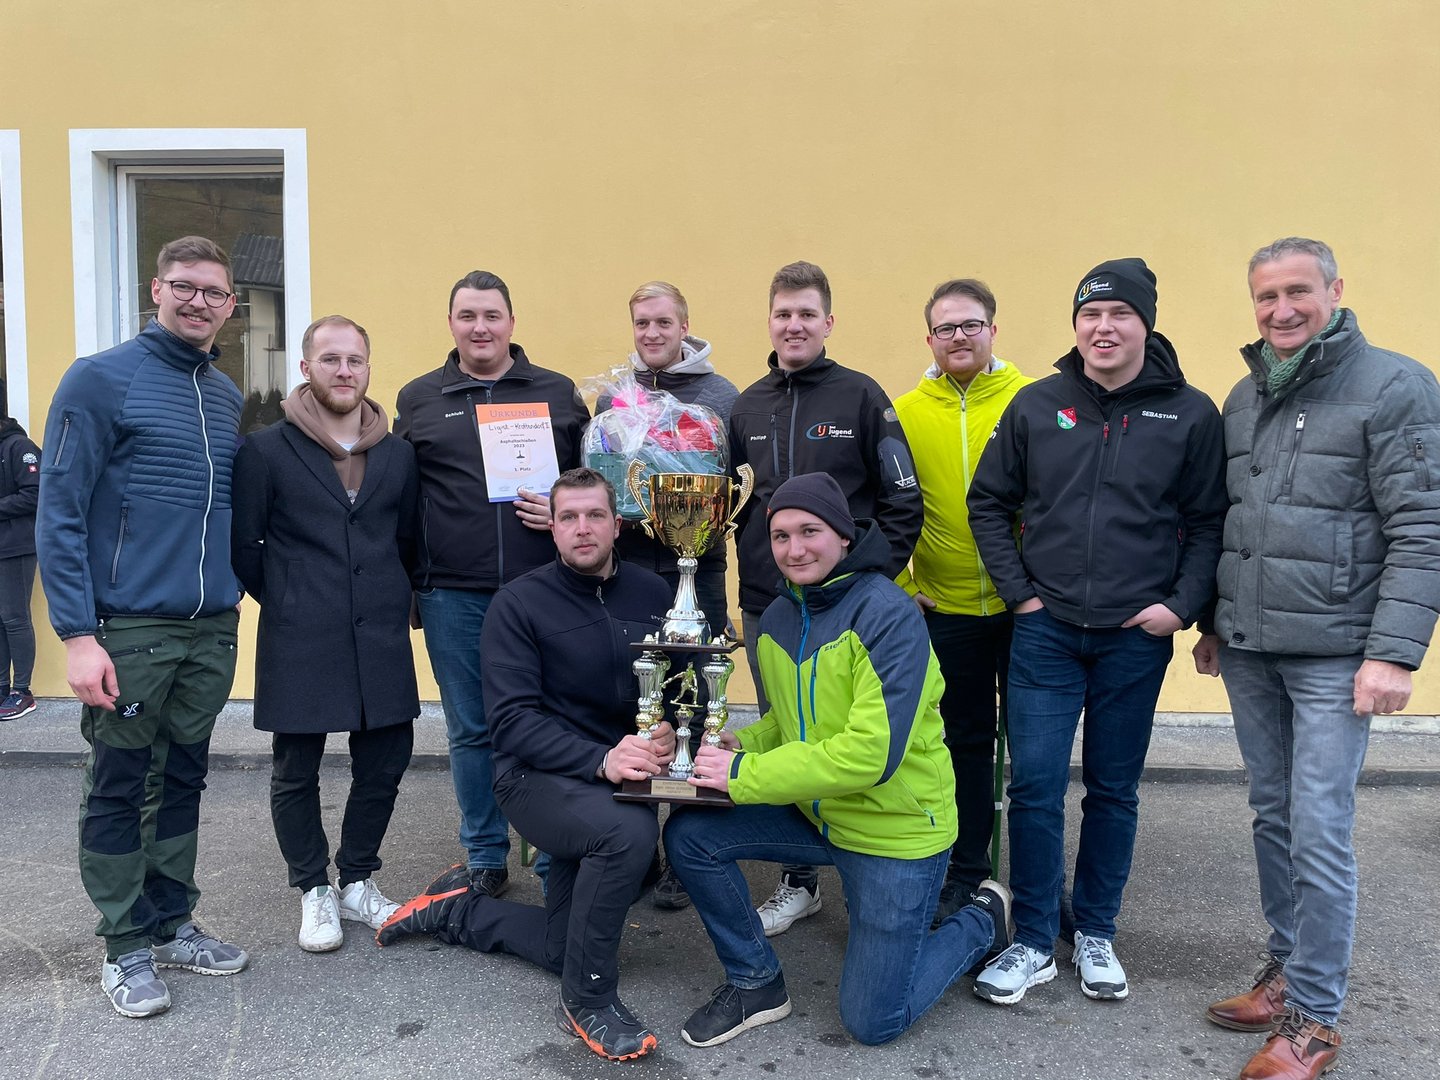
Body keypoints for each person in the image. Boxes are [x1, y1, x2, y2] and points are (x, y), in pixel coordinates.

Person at [1192, 238, 1440, 1080]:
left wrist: (1394, 654)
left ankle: (1315, 1021)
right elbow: (1236, 519)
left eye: (1298, 291)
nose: (1281, 309)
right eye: (1266, 296)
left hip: (1338, 654)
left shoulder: (1395, 385)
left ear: (1335, 289)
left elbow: (1422, 526)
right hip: (1253, 648)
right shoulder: (1246, 393)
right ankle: (1287, 971)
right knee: (1273, 815)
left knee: (1321, 829)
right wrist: (1217, 620)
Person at [665, 472, 1010, 1048]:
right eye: (780, 536)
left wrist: (744, 775)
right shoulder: (779, 618)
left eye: (810, 531)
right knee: (691, 834)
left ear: (844, 537)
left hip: (894, 831)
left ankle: (981, 919)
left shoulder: (888, 613)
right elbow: (790, 722)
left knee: (874, 1022)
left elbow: (870, 755)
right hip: (817, 814)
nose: (795, 549)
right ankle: (756, 982)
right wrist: (743, 746)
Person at [967, 258, 1226, 1005]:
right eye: (1090, 315)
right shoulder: (1037, 404)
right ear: (1075, 325)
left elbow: (1209, 520)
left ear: (1146, 324)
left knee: (1113, 790)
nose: (1103, 328)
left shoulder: (1191, 414)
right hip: (1045, 632)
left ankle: (1096, 933)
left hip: (1134, 637)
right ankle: (1031, 940)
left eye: (1120, 315)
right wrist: (1020, 597)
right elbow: (989, 502)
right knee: (1035, 787)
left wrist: (1180, 607)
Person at [377, 468, 675, 1062]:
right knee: (628, 833)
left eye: (595, 515)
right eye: (569, 517)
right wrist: (601, 759)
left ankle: (460, 913)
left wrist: (668, 728)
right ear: (553, 529)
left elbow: (672, 687)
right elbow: (510, 722)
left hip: (616, 774)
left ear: (616, 526)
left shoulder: (654, 594)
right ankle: (588, 1001)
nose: (583, 528)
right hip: (535, 778)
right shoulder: (519, 603)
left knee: (568, 946)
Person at [37, 236, 250, 1018]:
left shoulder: (224, 395)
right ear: (155, 290)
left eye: (214, 292)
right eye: (184, 287)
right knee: (122, 783)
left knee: (184, 777)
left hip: (208, 630)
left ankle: (171, 922)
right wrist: (76, 635)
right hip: (126, 629)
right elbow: (60, 510)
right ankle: (124, 944)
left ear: (231, 305)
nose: (198, 302)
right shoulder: (99, 380)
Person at [728, 260, 923, 935]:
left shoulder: (862, 397)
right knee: (786, 730)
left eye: (807, 313)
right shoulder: (746, 406)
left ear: (828, 322)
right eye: (783, 314)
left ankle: (867, 858)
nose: (795, 325)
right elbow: (731, 506)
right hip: (768, 605)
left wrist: (870, 584)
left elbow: (903, 500)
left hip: (849, 609)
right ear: (770, 322)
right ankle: (800, 880)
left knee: (850, 736)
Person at [395, 271, 588, 897]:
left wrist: (560, 507)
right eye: (467, 316)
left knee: (553, 720)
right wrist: (412, 585)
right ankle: (485, 853)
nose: (480, 328)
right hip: (453, 593)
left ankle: (557, 851)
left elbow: (591, 484)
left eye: (492, 315)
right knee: (472, 729)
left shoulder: (557, 392)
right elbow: (402, 497)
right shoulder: (419, 399)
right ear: (451, 323)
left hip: (547, 588)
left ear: (512, 322)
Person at [232, 315, 421, 953]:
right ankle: (314, 887)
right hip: (300, 634)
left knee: (386, 760)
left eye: (355, 360)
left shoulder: (397, 454)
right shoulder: (266, 449)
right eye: (331, 359)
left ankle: (358, 881)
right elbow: (246, 546)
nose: (345, 370)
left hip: (380, 635)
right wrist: (291, 598)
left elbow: (405, 539)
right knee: (296, 769)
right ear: (307, 367)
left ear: (368, 369)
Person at [894, 278, 1032, 924]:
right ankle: (968, 871)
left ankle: (1035, 882)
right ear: (929, 338)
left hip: (1026, 608)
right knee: (964, 747)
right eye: (946, 328)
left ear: (993, 331)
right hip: (946, 610)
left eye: (971, 325)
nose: (958, 337)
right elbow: (886, 506)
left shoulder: (1031, 399)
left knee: (1033, 753)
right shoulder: (904, 412)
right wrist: (903, 590)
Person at [599, 280, 739, 910]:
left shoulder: (721, 396)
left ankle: (689, 845)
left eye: (663, 322)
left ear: (685, 326)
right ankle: (634, 846)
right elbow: (603, 478)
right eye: (641, 323)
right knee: (636, 697)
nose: (652, 333)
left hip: (697, 566)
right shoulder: (612, 398)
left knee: (699, 700)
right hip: (629, 565)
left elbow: (729, 487)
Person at [0, 394, 40, 721]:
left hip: (16, 546)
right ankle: (2, 688)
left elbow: (36, 493)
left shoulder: (19, 446)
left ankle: (22, 691)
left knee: (14, 618)